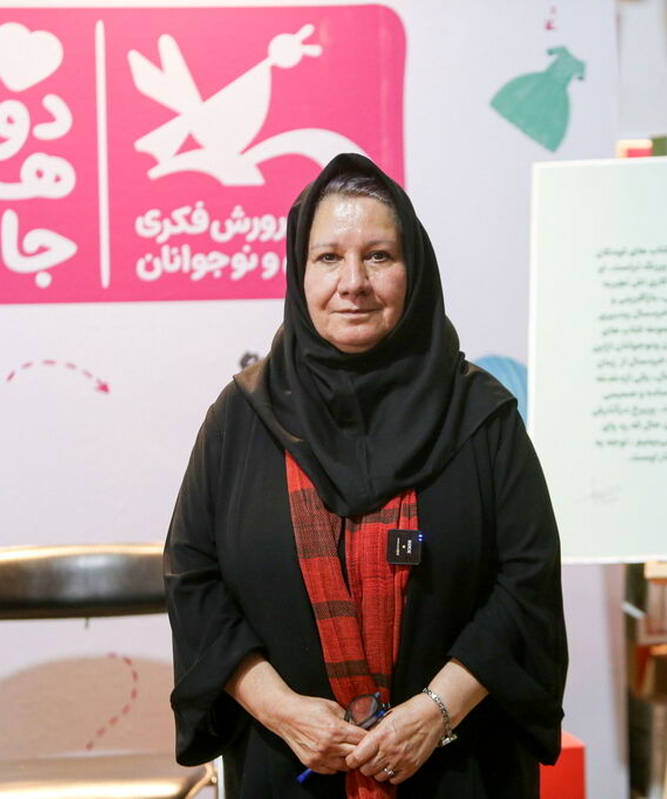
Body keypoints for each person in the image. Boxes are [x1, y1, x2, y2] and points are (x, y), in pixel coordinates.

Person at [163, 153, 568, 798]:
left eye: (379, 256)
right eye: (328, 257)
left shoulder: (480, 415)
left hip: (461, 765)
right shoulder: (241, 418)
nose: (353, 282)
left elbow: (527, 582)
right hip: (288, 766)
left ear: (416, 270)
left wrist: (436, 711)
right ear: (299, 272)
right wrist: (283, 712)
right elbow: (194, 581)